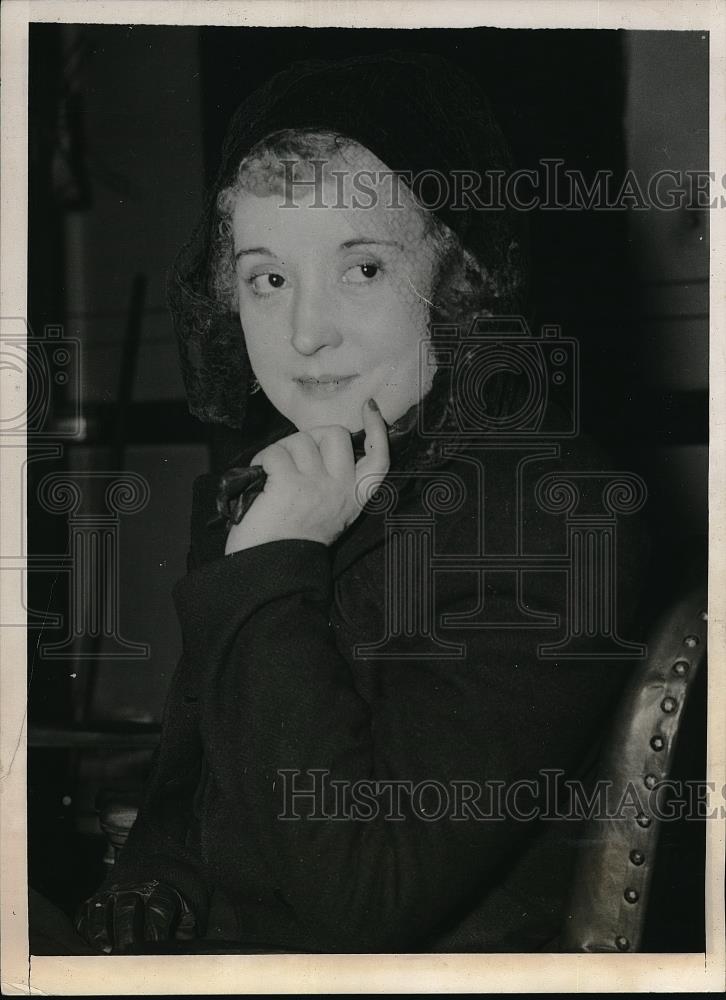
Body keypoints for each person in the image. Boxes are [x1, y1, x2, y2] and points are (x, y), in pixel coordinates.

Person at [74, 50, 650, 954]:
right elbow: (195, 786)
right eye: (269, 278)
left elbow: (365, 899)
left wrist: (273, 568)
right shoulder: (278, 482)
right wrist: (157, 875)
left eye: (363, 270)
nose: (304, 332)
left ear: (459, 277)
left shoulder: (554, 515)